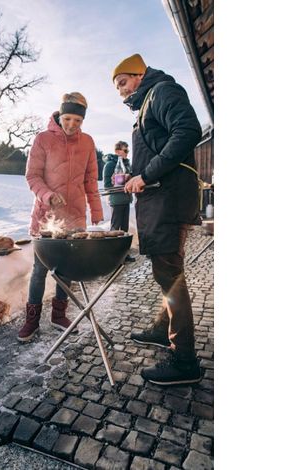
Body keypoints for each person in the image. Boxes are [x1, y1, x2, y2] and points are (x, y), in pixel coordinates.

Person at [112, 53, 203, 385]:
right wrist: (130, 178)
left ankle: (185, 361)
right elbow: (156, 149)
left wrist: (146, 175)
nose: (120, 91)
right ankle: (163, 330)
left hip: (168, 201)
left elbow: (188, 131)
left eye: (122, 82)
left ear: (139, 74)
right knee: (166, 274)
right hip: (159, 200)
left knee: (171, 276)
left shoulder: (162, 91)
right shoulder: (146, 104)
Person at [18, 92, 104, 342]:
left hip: (75, 216)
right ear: (59, 114)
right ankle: (32, 321)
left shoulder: (87, 142)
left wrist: (96, 210)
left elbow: (90, 179)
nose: (72, 125)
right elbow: (32, 176)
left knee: (66, 268)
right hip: (46, 216)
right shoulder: (43, 139)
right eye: (67, 119)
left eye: (78, 121)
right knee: (39, 269)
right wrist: (48, 195)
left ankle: (58, 315)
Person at [102, 141, 135, 263]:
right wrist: (120, 183)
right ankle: (112, 256)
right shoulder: (110, 165)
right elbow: (106, 185)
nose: (127, 153)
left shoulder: (127, 164)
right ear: (117, 151)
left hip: (126, 199)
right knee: (115, 229)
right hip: (116, 201)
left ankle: (124, 255)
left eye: (128, 151)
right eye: (125, 150)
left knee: (125, 229)